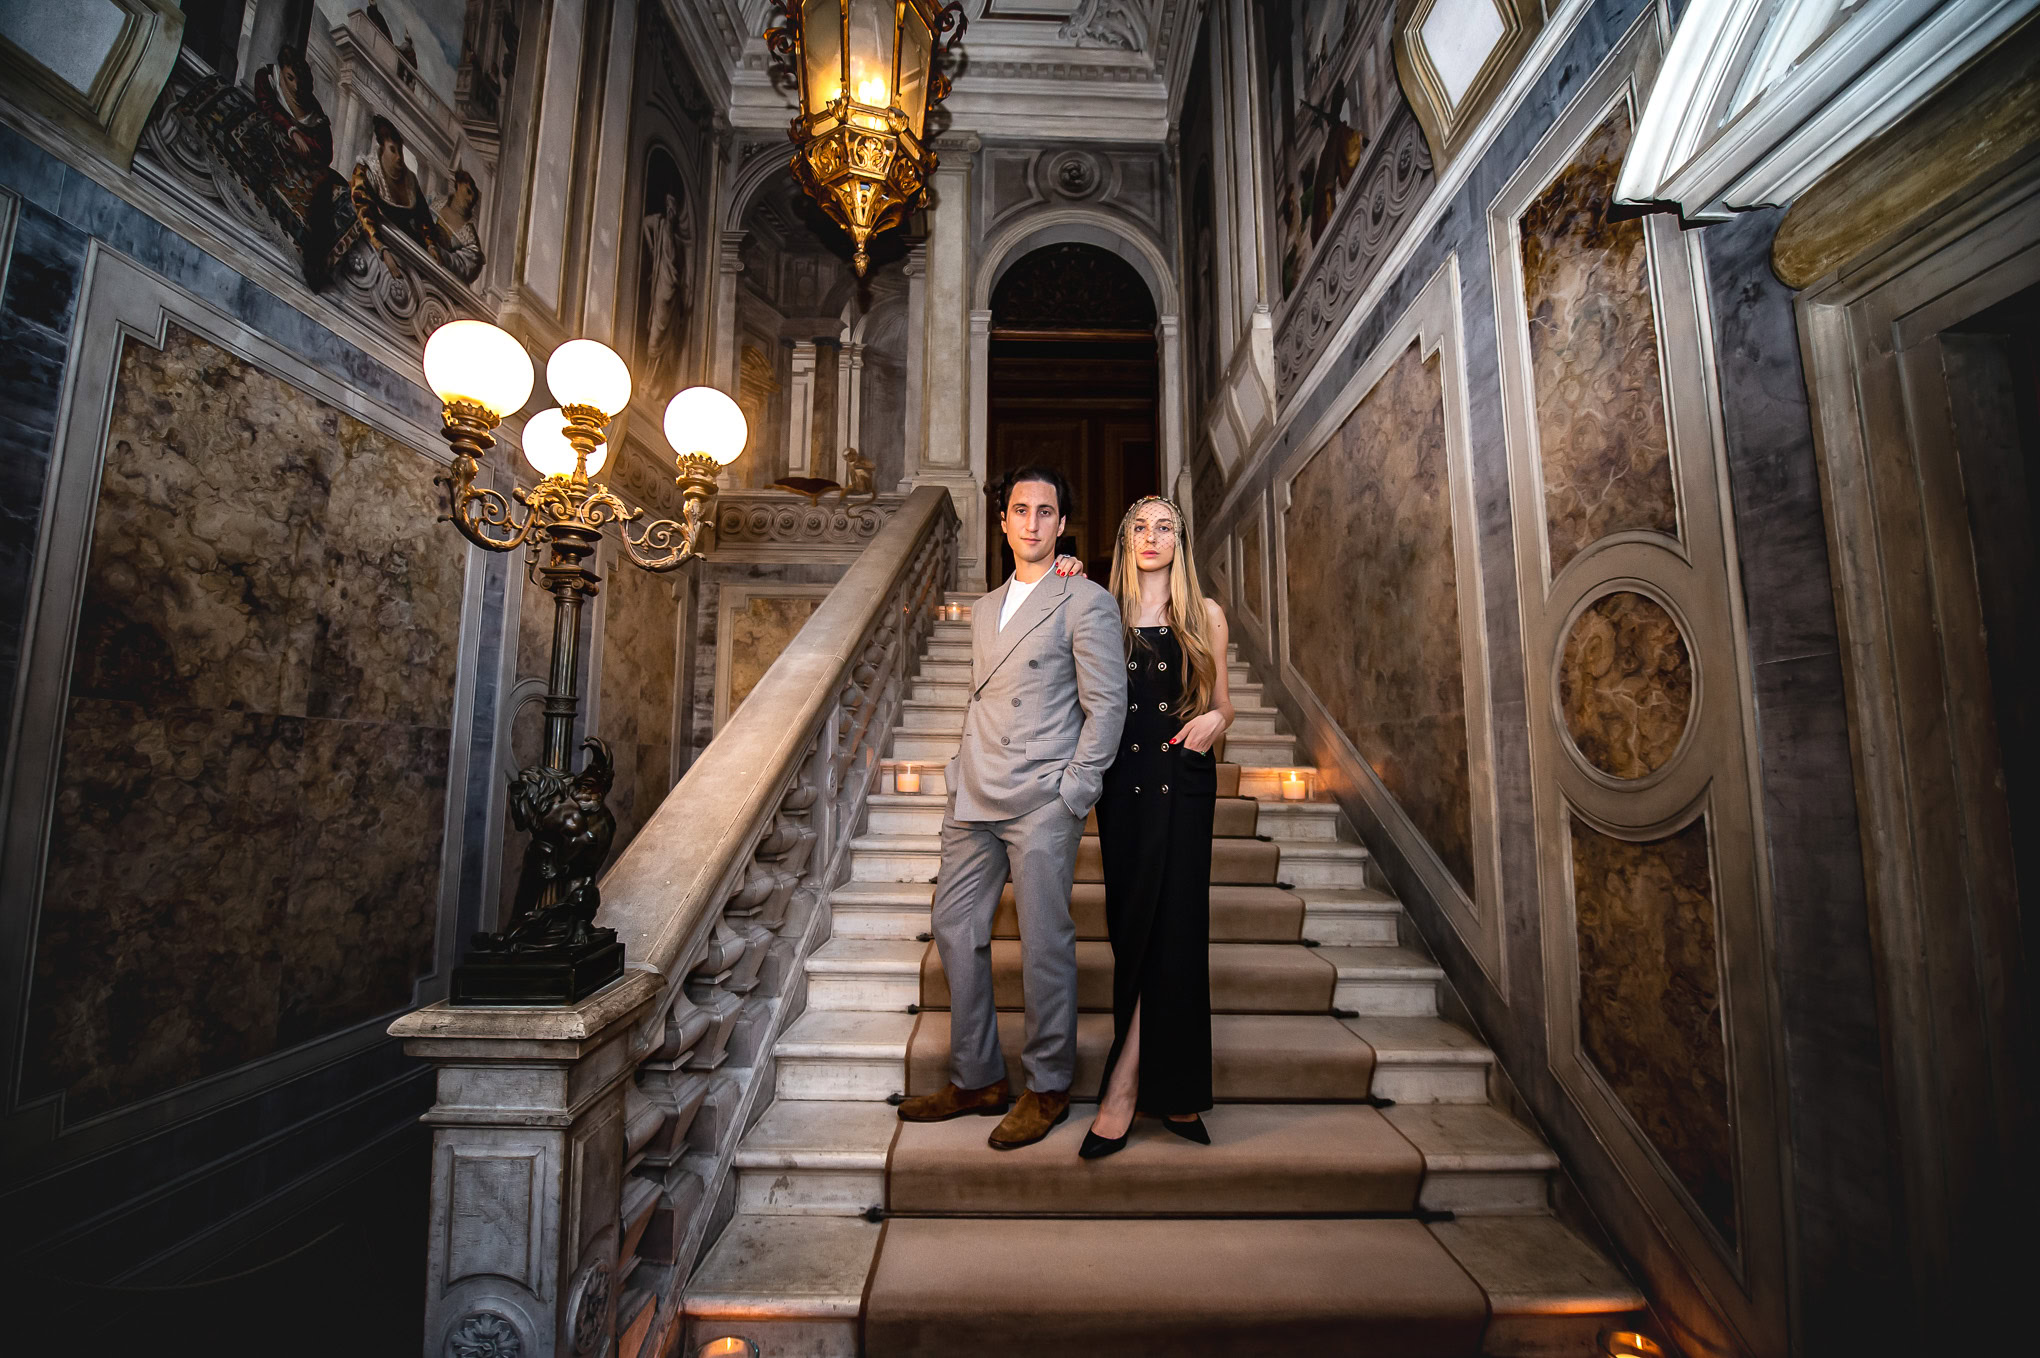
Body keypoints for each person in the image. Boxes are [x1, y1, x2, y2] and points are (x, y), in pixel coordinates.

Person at [895, 468, 1129, 1150]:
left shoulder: (1083, 599)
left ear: (1062, 525)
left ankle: (1049, 1084)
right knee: (953, 926)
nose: (1031, 522)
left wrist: (1075, 791)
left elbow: (1107, 705)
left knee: (1044, 942)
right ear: (1002, 522)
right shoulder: (984, 604)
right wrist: (955, 770)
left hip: (1041, 797)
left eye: (1045, 512)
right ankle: (977, 1077)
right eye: (1020, 510)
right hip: (974, 790)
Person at [1075, 494, 1233, 1157]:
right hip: (1124, 790)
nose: (1151, 535)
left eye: (1164, 526)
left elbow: (1222, 704)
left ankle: (1127, 1087)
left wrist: (1216, 722)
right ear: (1124, 539)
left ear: (1180, 541)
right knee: (1135, 929)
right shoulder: (1100, 613)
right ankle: (1175, 1094)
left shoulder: (1206, 616)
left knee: (1178, 932)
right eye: (1138, 525)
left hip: (1184, 782)